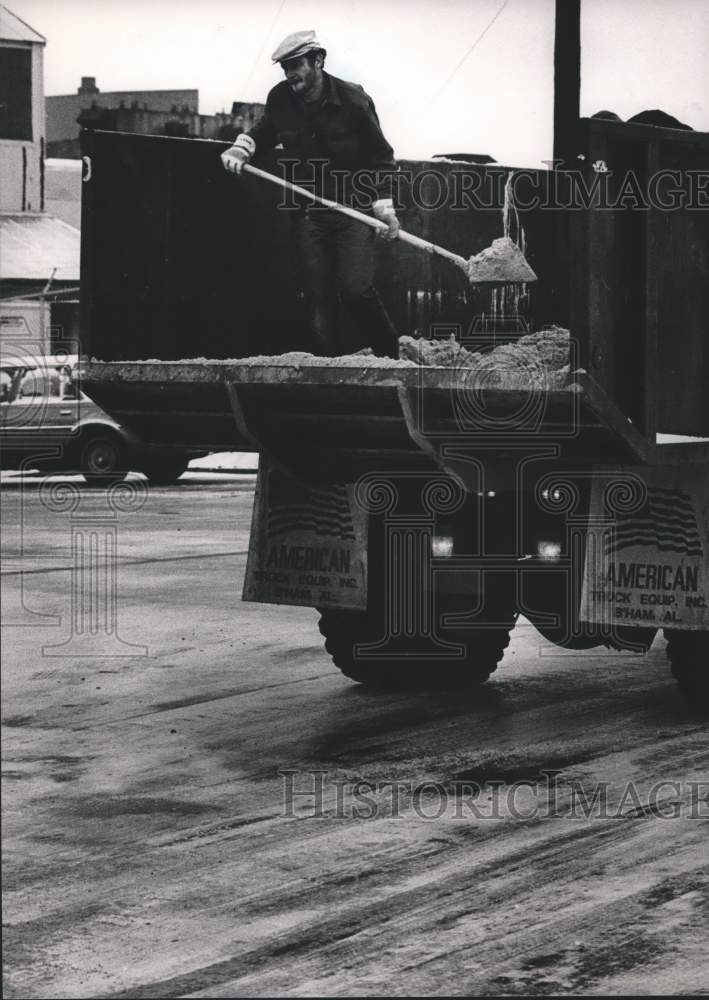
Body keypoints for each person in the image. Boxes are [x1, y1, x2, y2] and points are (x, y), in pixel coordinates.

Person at [221, 30, 400, 357]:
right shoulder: (281, 98)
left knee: (355, 290)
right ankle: (327, 372)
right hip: (308, 213)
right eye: (285, 67)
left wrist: (384, 207)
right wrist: (240, 149)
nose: (290, 73)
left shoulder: (354, 101)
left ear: (318, 60)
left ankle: (392, 359)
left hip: (353, 211)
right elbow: (264, 132)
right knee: (318, 299)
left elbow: (381, 157)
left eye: (296, 64)